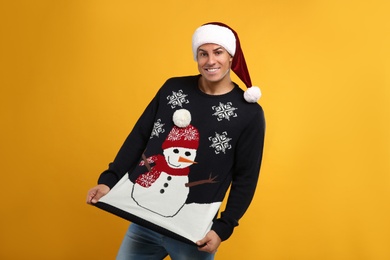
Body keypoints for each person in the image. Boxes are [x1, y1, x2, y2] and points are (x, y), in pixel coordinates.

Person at [87, 22, 265, 260]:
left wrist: (224, 228)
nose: (210, 61)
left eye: (218, 52)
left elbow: (246, 177)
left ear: (231, 56)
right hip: (144, 222)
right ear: (196, 57)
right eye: (203, 53)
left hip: (193, 233)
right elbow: (139, 137)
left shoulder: (249, 113)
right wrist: (109, 180)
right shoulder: (173, 89)